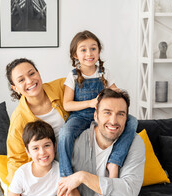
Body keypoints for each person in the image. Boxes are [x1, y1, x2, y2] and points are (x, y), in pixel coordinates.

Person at [41, 89, 146, 196]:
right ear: (95, 115)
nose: (113, 121)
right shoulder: (74, 141)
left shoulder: (134, 143)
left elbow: (129, 191)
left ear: (126, 118)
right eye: (107, 112)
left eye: (120, 114)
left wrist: (83, 177)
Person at [59, 30, 138, 178]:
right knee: (65, 133)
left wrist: (116, 93)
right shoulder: (73, 76)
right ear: (75, 55)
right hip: (80, 117)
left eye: (93, 48)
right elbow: (67, 105)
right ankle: (65, 174)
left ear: (99, 51)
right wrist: (90, 103)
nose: (89, 53)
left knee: (132, 121)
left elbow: (116, 94)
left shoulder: (104, 73)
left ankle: (114, 161)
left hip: (103, 117)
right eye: (83, 50)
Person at [5, 58, 69, 184]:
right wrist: (15, 192)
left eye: (32, 73)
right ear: (15, 88)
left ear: (38, 73)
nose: (29, 81)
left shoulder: (62, 87)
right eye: (21, 80)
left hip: (77, 154)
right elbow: (16, 159)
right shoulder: (19, 119)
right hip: (48, 169)